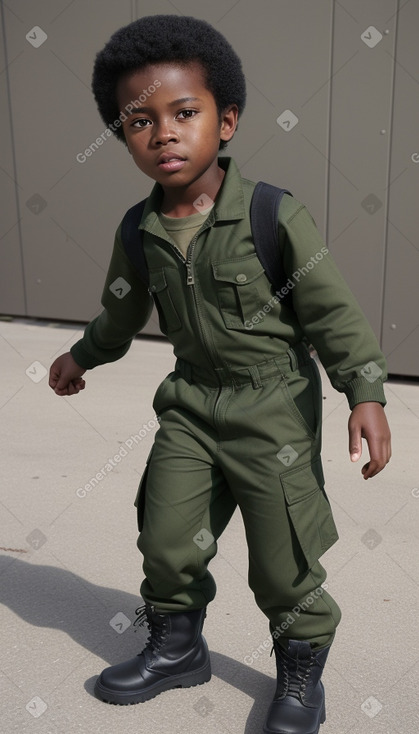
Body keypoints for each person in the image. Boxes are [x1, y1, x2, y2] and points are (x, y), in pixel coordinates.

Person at [48, 15, 391, 734]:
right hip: (191, 404)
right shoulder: (136, 231)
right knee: (167, 537)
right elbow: (119, 312)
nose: (162, 133)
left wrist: (363, 392)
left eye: (184, 113)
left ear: (225, 121)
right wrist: (81, 356)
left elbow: (331, 312)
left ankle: (299, 674)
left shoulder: (272, 215)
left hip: (274, 408)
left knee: (282, 561)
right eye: (139, 122)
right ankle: (177, 648)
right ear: (122, 137)